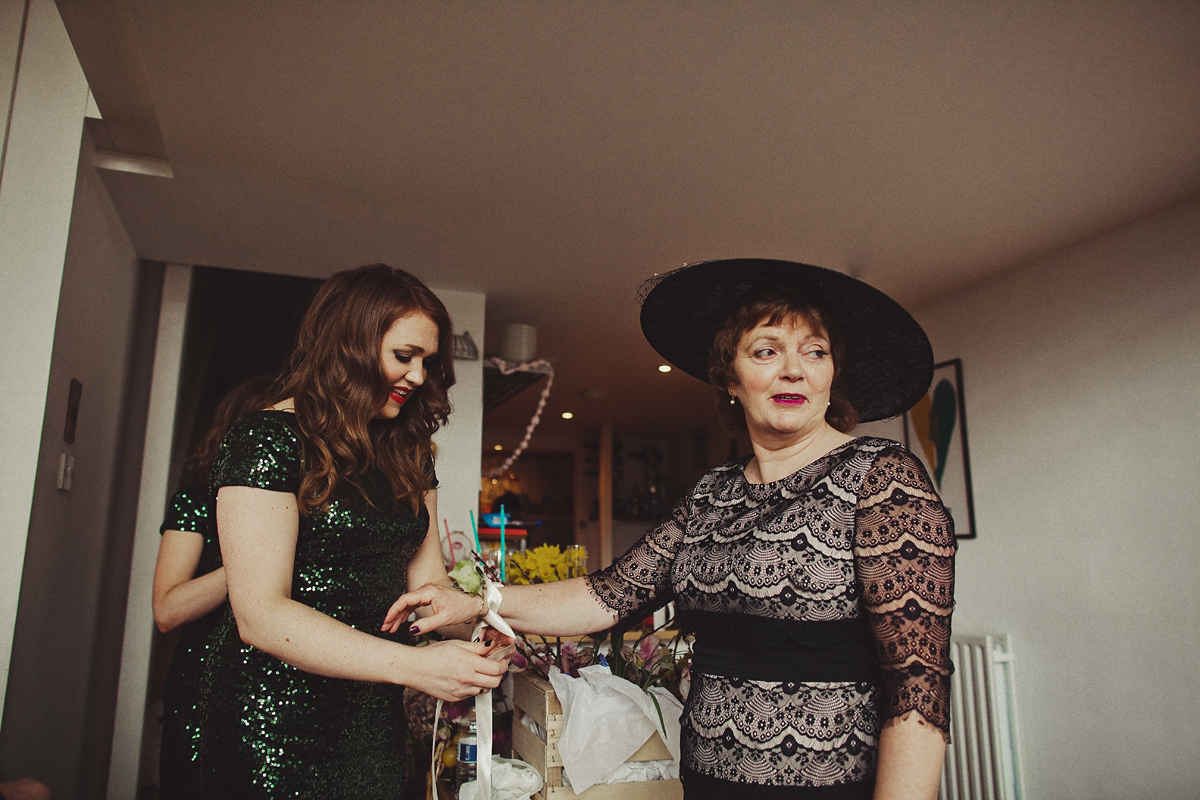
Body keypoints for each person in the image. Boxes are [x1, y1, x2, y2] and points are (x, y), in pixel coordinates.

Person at [393, 258, 956, 800]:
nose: (794, 369)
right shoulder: (713, 494)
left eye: (816, 352)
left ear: (833, 375)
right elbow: (607, 595)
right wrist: (479, 599)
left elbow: (918, 688)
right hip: (708, 784)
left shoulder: (882, 478)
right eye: (766, 351)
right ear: (730, 378)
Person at [191, 263, 508, 799]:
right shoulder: (266, 439)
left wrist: (477, 631)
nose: (418, 377)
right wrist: (413, 667)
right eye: (403, 357)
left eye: (427, 362)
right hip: (272, 715)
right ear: (348, 347)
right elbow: (260, 615)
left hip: (368, 713)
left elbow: (427, 588)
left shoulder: (409, 454)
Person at [152, 375, 272, 798]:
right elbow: (167, 610)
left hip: (284, 683)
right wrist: (253, 563)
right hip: (208, 682)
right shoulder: (195, 503)